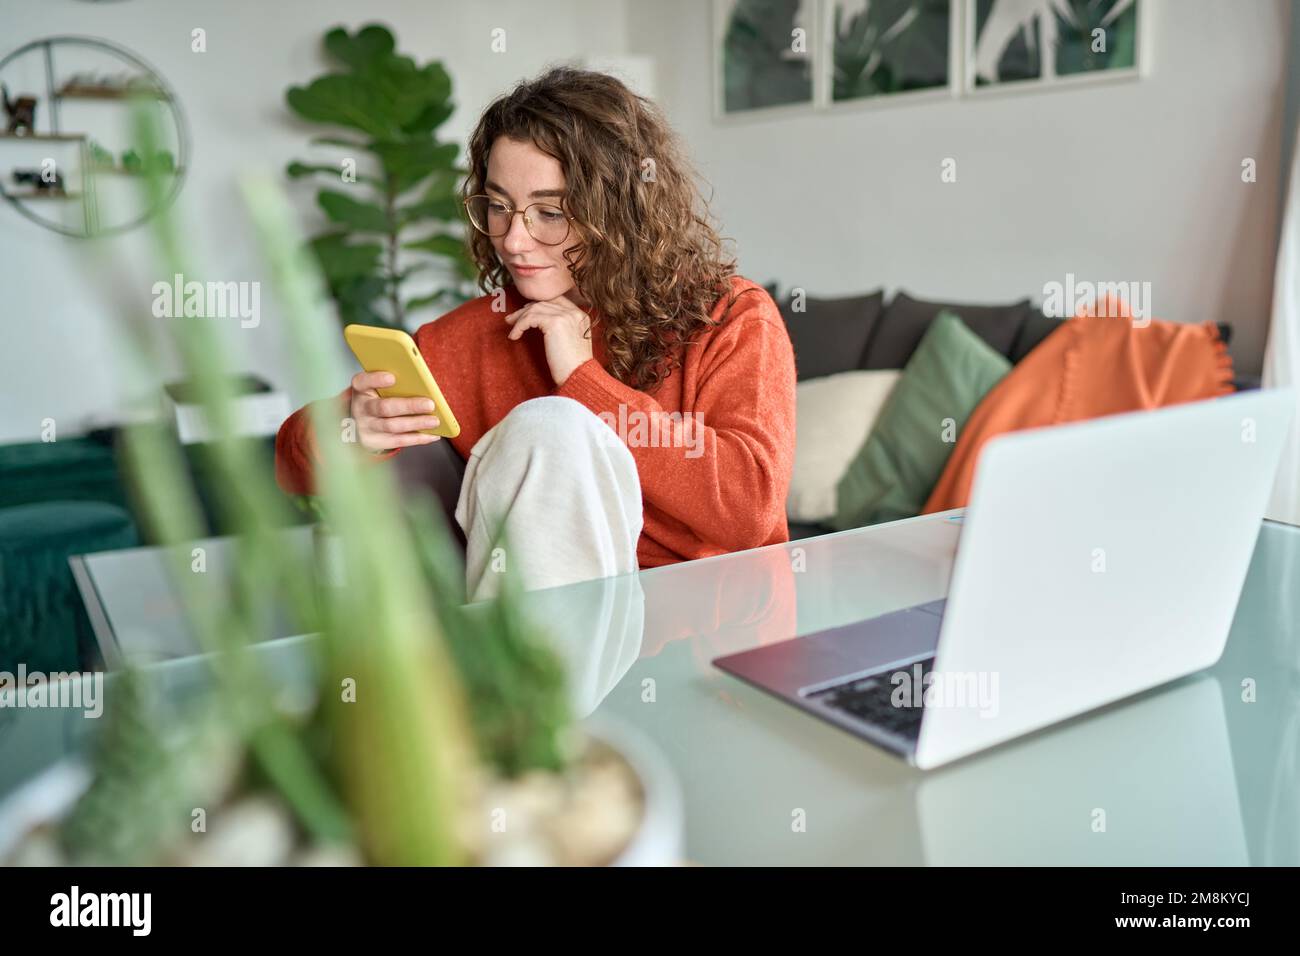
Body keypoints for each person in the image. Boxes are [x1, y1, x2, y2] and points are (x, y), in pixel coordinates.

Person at [275, 67, 796, 600]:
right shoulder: (472, 337)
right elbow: (293, 468)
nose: (514, 240)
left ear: (621, 212)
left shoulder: (730, 316)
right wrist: (351, 430)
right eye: (498, 207)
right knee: (546, 428)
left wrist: (584, 381)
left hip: (714, 635)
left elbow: (749, 509)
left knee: (554, 424)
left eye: (549, 212)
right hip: (545, 638)